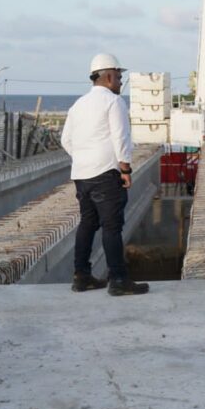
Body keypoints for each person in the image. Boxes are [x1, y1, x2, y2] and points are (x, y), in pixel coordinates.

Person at [61, 53, 149, 297]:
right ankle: (119, 280)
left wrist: (84, 157)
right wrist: (126, 170)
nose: (121, 82)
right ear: (109, 77)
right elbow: (121, 138)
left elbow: (65, 140)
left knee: (87, 224)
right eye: (120, 77)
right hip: (106, 173)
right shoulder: (113, 102)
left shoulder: (78, 105)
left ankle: (82, 276)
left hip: (81, 174)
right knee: (112, 227)